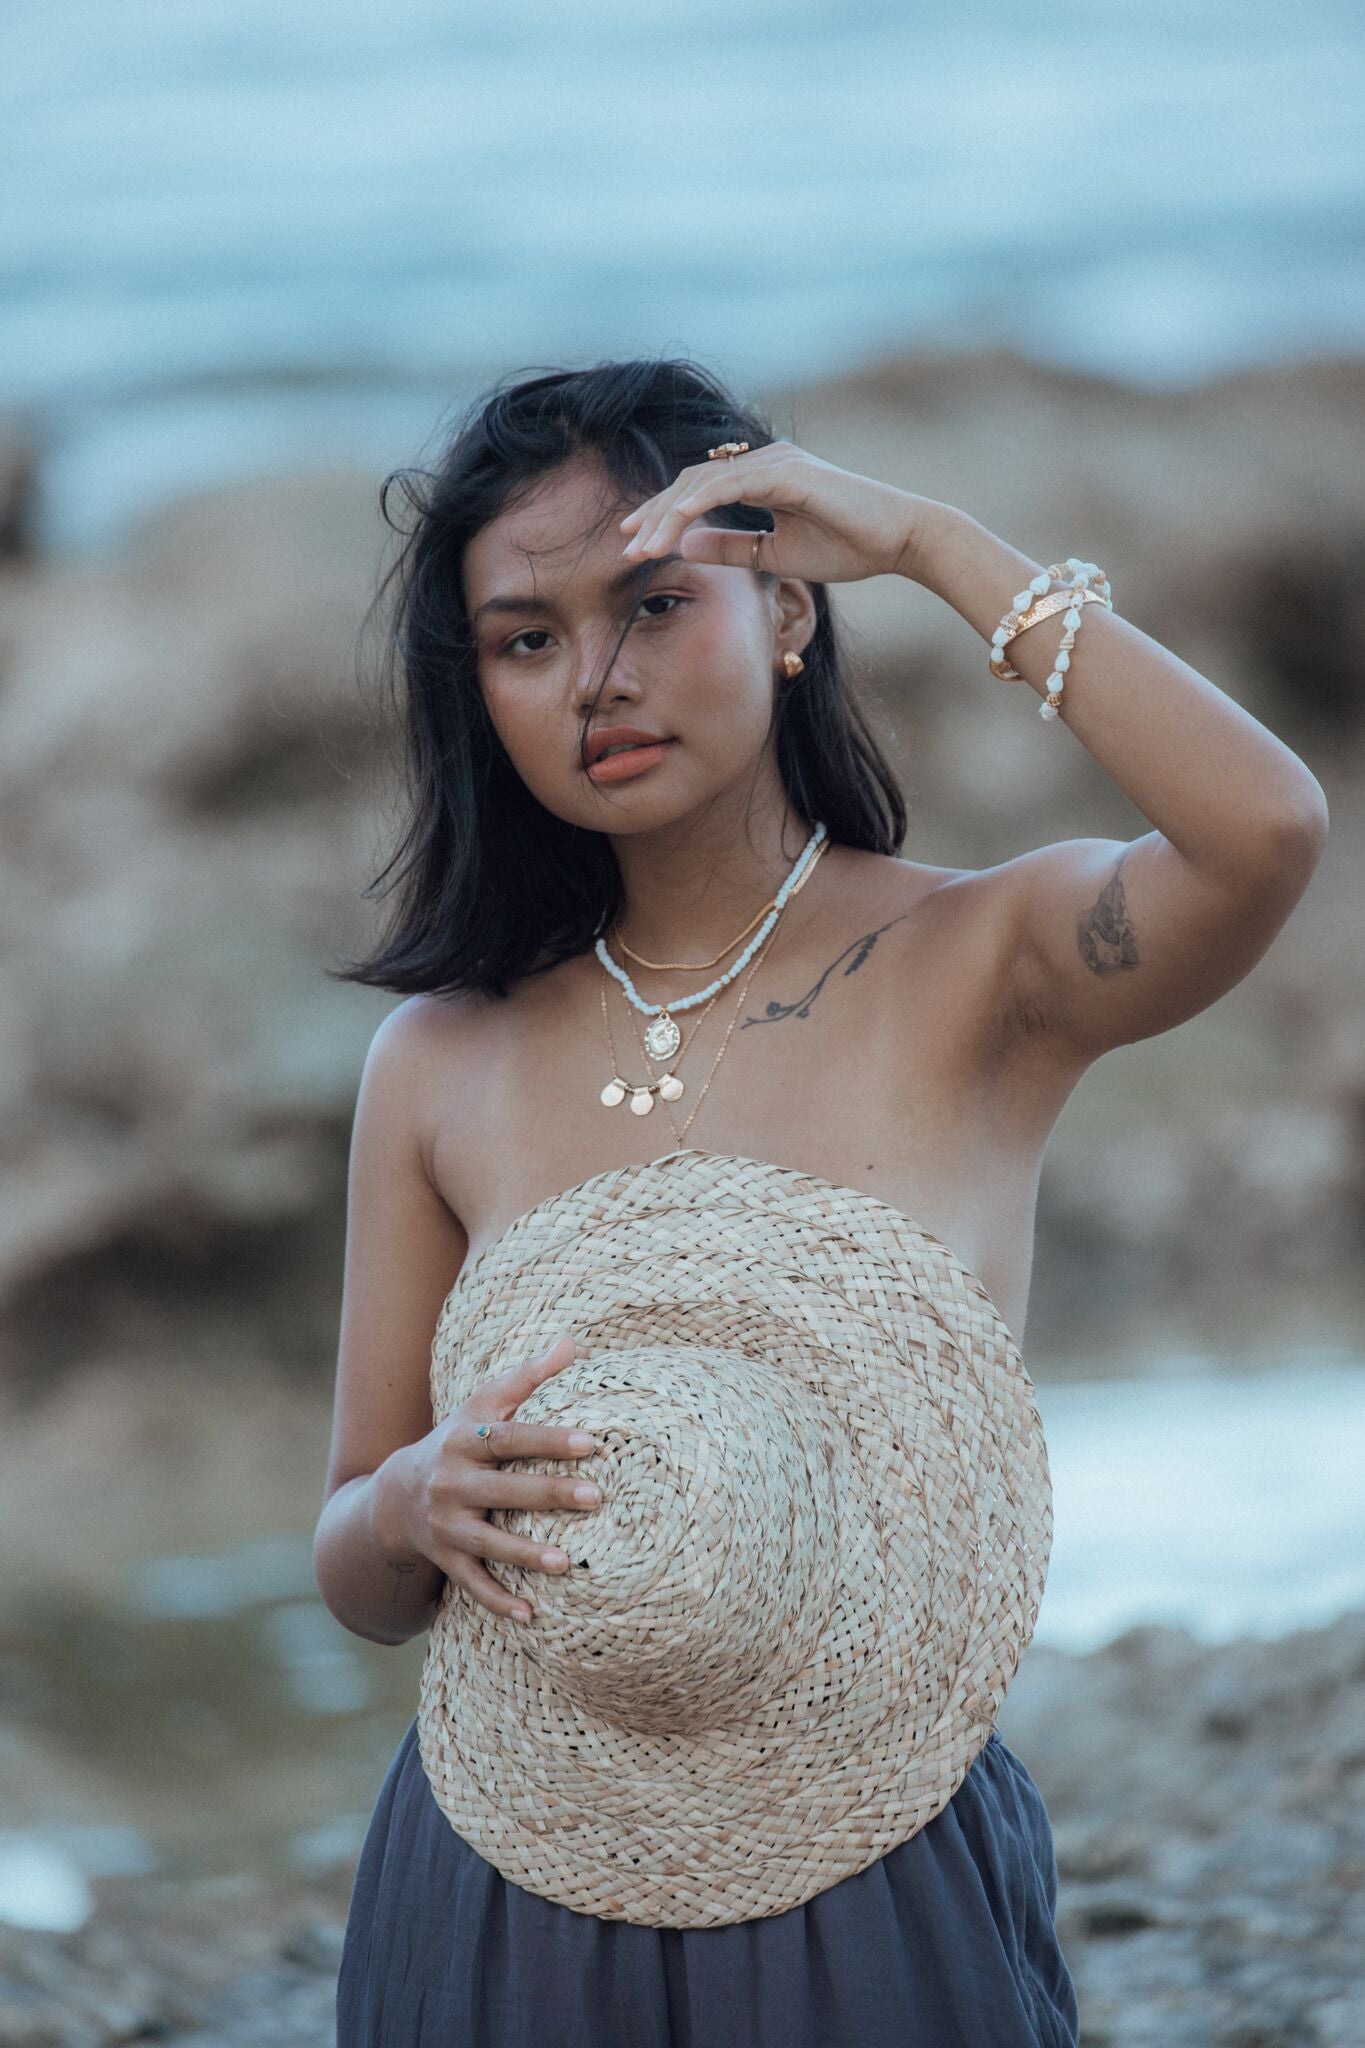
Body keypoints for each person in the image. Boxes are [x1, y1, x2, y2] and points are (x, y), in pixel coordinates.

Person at [313, 355, 1328, 2045]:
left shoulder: (980, 958)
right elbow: (354, 1562)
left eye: (654, 605)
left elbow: (1265, 831)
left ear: (785, 610)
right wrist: (411, 1504)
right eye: (525, 640)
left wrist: (930, 543)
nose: (597, 679)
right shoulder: (439, 1059)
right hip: (499, 1877)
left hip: (867, 1863)